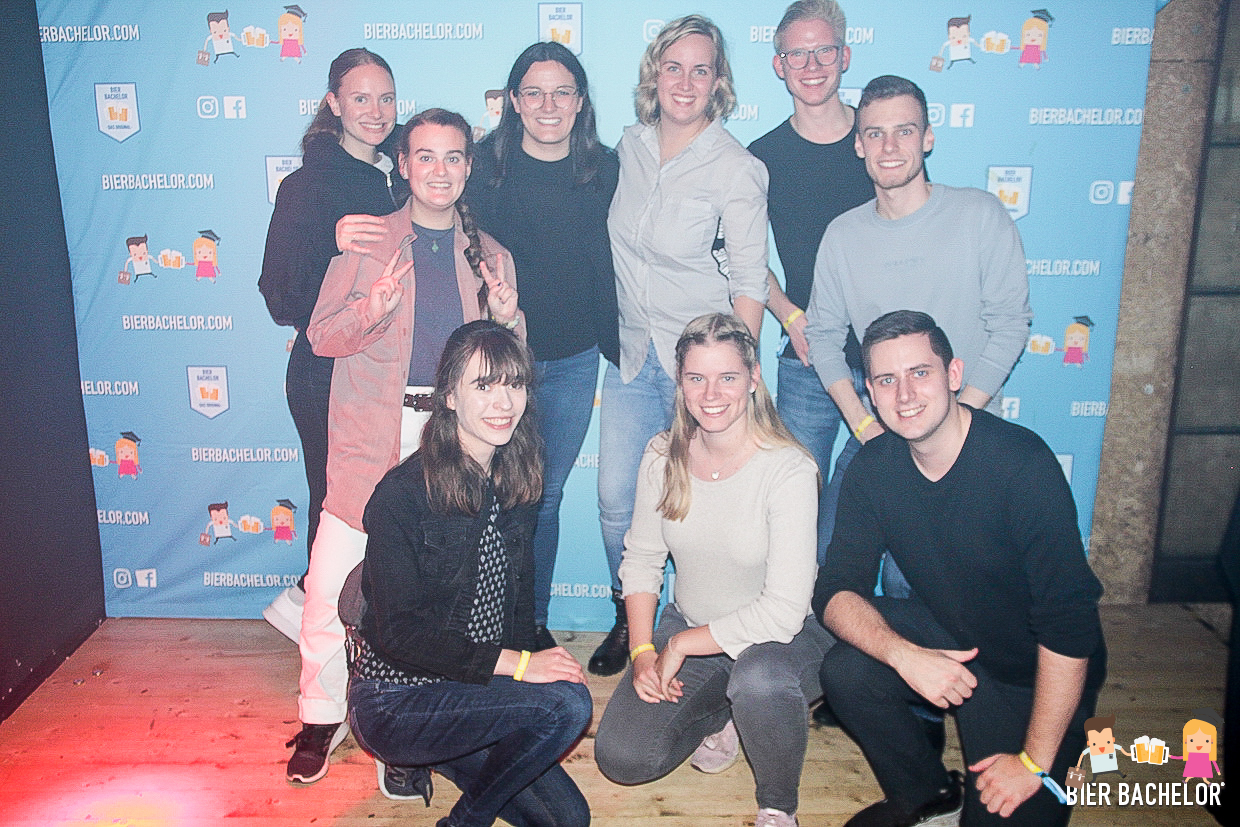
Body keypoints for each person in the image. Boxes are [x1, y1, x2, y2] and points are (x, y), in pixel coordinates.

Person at [284, 107, 522, 786]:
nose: (439, 170)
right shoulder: (367, 241)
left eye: (453, 156)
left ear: (469, 167)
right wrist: (373, 308)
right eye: (425, 156)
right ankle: (321, 713)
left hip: (452, 441)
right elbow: (321, 337)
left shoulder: (492, 254)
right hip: (371, 434)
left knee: (437, 591)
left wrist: (510, 319)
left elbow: (508, 368)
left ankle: (414, 728)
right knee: (332, 578)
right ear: (403, 165)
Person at [814, 310, 1106, 827]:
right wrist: (904, 655)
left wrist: (1032, 763)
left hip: (1031, 675)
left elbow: (1069, 627)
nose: (905, 394)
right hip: (954, 636)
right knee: (847, 670)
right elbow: (836, 589)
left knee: (1007, 811)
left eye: (919, 372)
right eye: (887, 380)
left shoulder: (1022, 465)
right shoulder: (874, 467)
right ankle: (925, 795)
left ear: (953, 375)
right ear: (871, 393)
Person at [349, 320, 591, 827]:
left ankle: (447, 753)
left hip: (471, 691)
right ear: (449, 397)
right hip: (398, 701)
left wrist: (527, 680)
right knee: (568, 705)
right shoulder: (402, 495)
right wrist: (521, 668)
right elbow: (398, 635)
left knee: (567, 820)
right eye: (484, 385)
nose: (503, 403)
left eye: (514, 384)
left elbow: (517, 604)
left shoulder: (518, 475)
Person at [595, 313, 830, 827]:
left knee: (759, 679)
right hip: (697, 625)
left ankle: (778, 806)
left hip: (783, 641)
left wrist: (678, 645)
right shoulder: (662, 456)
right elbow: (643, 560)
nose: (711, 394)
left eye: (727, 377)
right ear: (680, 384)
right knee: (622, 758)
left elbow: (784, 612)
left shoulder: (789, 469)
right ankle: (726, 709)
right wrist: (642, 651)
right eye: (696, 378)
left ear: (754, 378)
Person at [805, 73, 1031, 598]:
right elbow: (823, 336)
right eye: (875, 133)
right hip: (881, 431)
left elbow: (1010, 323)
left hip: (967, 432)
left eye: (904, 131)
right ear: (858, 144)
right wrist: (864, 426)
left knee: (916, 581)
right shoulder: (842, 235)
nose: (889, 147)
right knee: (826, 559)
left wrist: (954, 420)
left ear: (927, 137)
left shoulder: (980, 215)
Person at [597, 14, 770, 676]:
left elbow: (749, 282)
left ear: (718, 82)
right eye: (674, 67)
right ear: (654, 74)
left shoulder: (737, 168)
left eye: (702, 70)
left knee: (708, 511)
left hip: (701, 371)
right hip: (633, 356)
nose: (686, 81)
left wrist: (737, 374)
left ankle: (713, 634)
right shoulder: (629, 147)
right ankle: (630, 614)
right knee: (617, 500)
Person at [465, 41, 620, 651]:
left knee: (544, 497)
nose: (548, 105)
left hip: (576, 358)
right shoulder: (482, 167)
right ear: (513, 100)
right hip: (499, 360)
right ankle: (481, 624)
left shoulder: (607, 170)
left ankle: (529, 624)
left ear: (580, 102)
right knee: (486, 495)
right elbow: (419, 189)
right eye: (533, 91)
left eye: (562, 92)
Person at [259, 47, 409, 644]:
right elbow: (278, 295)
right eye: (360, 98)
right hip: (325, 374)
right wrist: (332, 241)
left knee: (380, 509)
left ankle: (315, 610)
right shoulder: (306, 186)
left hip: (383, 373)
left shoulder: (401, 177)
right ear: (334, 104)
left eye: (386, 98)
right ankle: (318, 628)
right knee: (335, 509)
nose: (376, 110)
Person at [747, 0, 873, 568]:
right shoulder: (762, 157)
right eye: (798, 54)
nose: (813, 65)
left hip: (890, 357)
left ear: (845, 56)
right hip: (806, 361)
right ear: (779, 65)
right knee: (799, 503)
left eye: (824, 50)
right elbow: (738, 254)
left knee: (893, 492)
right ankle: (802, 618)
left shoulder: (880, 141)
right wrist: (787, 313)